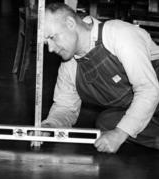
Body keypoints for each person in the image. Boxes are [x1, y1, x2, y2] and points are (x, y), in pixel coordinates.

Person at [33, 2, 159, 153]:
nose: (51, 49)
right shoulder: (70, 65)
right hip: (146, 109)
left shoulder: (119, 34)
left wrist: (119, 135)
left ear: (70, 23)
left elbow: (148, 89)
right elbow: (65, 107)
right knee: (106, 123)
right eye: (47, 43)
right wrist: (50, 126)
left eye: (52, 37)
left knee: (119, 129)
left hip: (153, 91)